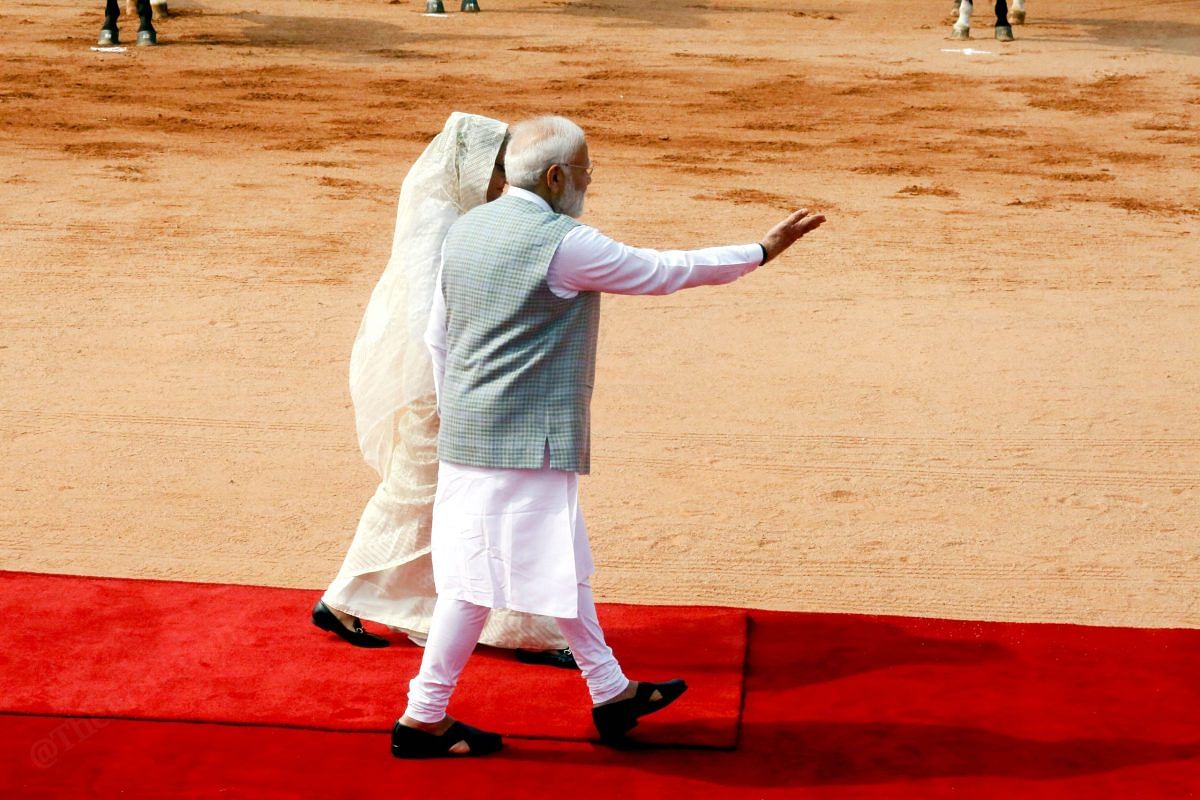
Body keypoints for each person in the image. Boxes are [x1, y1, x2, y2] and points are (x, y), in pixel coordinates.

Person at [390, 115, 826, 758]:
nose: (588, 185)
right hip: (526, 442)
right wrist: (758, 252)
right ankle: (421, 719)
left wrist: (465, 406)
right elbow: (662, 270)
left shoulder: (467, 229)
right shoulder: (562, 242)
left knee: (560, 561)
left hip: (475, 434)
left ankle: (611, 690)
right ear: (558, 175)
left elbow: (438, 335)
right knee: (472, 585)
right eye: (586, 173)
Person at [312, 112, 578, 670]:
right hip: (439, 385)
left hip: (457, 380)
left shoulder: (459, 211)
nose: (504, 184)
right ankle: (508, 625)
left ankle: (353, 600)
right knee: (434, 499)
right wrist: (454, 387)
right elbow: (424, 317)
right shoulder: (440, 219)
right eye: (498, 172)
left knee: (435, 501)